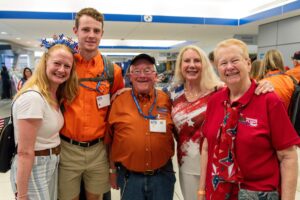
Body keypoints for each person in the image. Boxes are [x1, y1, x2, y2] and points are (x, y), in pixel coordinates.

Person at [199, 38, 300, 200]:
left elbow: (288, 156)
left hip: (256, 193)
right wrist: (202, 191)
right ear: (217, 69)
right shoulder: (214, 102)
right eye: (223, 63)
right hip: (217, 191)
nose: (229, 67)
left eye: (235, 60)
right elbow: (206, 148)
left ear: (248, 63)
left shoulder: (269, 101)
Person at [58, 7, 124, 200]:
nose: (91, 35)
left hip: (98, 150)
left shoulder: (113, 71)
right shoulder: (64, 66)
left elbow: (116, 112)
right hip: (67, 148)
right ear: (75, 31)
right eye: (86, 29)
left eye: (96, 31)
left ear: (102, 34)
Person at [10, 35, 78, 200]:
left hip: (51, 162)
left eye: (67, 66)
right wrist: (23, 194)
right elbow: (24, 152)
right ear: (45, 63)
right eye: (57, 63)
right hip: (34, 165)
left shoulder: (53, 94)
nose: (61, 70)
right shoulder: (33, 97)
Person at [106, 53, 176, 200]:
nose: (142, 75)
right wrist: (112, 170)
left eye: (147, 70)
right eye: (137, 71)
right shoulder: (118, 101)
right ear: (130, 77)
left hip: (162, 177)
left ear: (155, 76)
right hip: (129, 178)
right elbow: (109, 141)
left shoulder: (166, 100)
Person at [169, 45, 223, 200]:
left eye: (197, 61)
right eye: (187, 61)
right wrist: (124, 90)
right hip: (187, 164)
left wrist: (263, 84)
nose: (191, 65)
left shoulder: (218, 91)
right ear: (180, 65)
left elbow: (245, 89)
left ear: (204, 65)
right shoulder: (173, 94)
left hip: (216, 165)